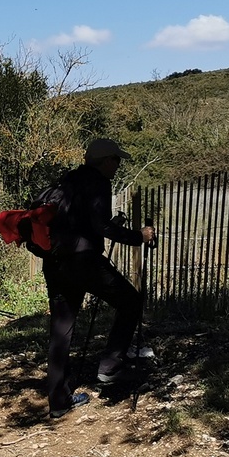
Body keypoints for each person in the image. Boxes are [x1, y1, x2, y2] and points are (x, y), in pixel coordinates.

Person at [43, 137, 155, 419]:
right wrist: (138, 237)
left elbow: (82, 221)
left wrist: (106, 227)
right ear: (105, 160)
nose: (118, 166)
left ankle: (58, 401)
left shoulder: (67, 180)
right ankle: (111, 366)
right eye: (116, 160)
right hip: (83, 263)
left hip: (55, 262)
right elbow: (100, 225)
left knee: (61, 329)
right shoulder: (98, 182)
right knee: (130, 300)